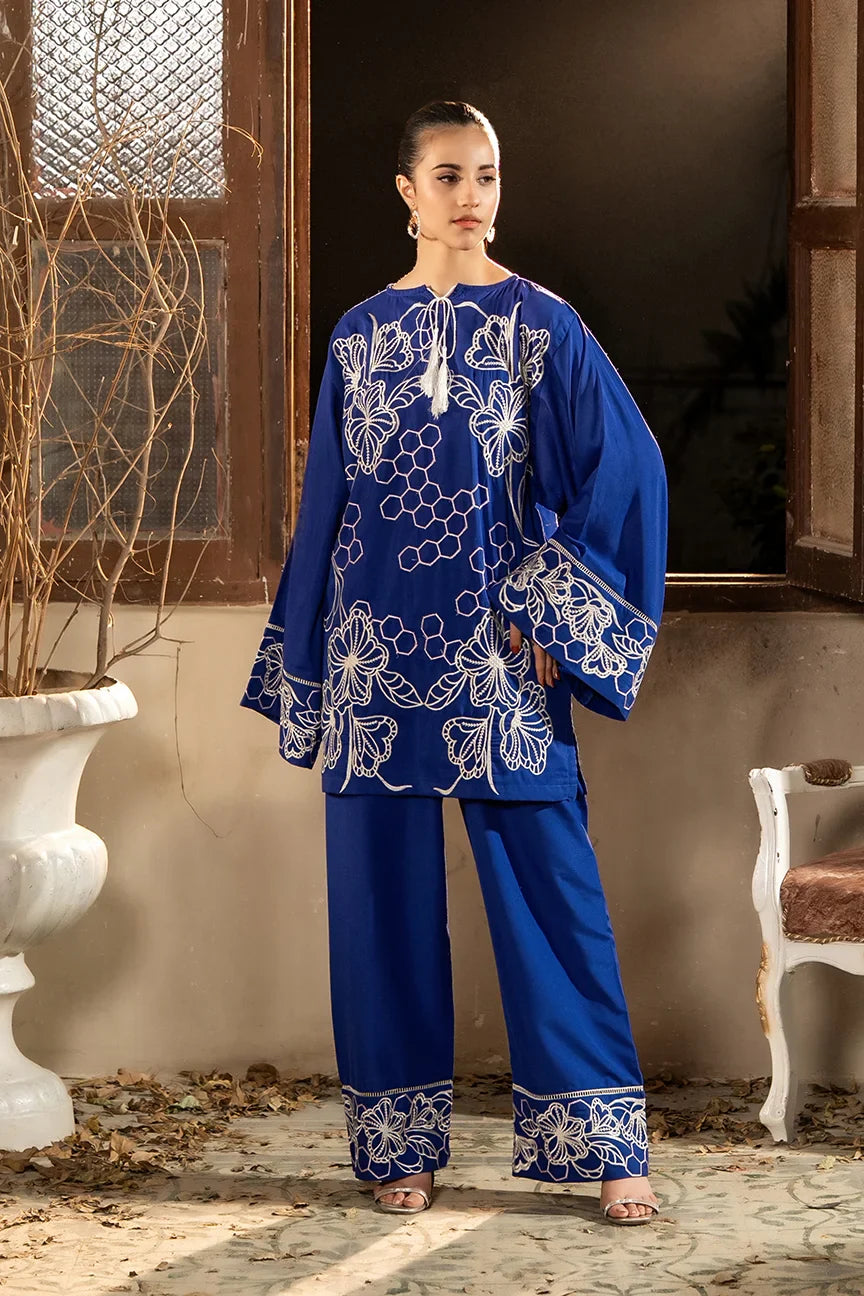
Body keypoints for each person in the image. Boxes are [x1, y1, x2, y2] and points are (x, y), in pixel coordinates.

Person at [240, 100, 667, 1224]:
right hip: (375, 650)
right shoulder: (357, 335)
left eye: (485, 174)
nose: (470, 195)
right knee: (378, 906)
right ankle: (399, 1147)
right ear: (407, 191)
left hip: (496, 656)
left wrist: (552, 608)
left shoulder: (541, 327)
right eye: (447, 175)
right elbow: (327, 508)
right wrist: (311, 660)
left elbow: (624, 470)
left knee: (552, 894)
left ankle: (605, 1145)